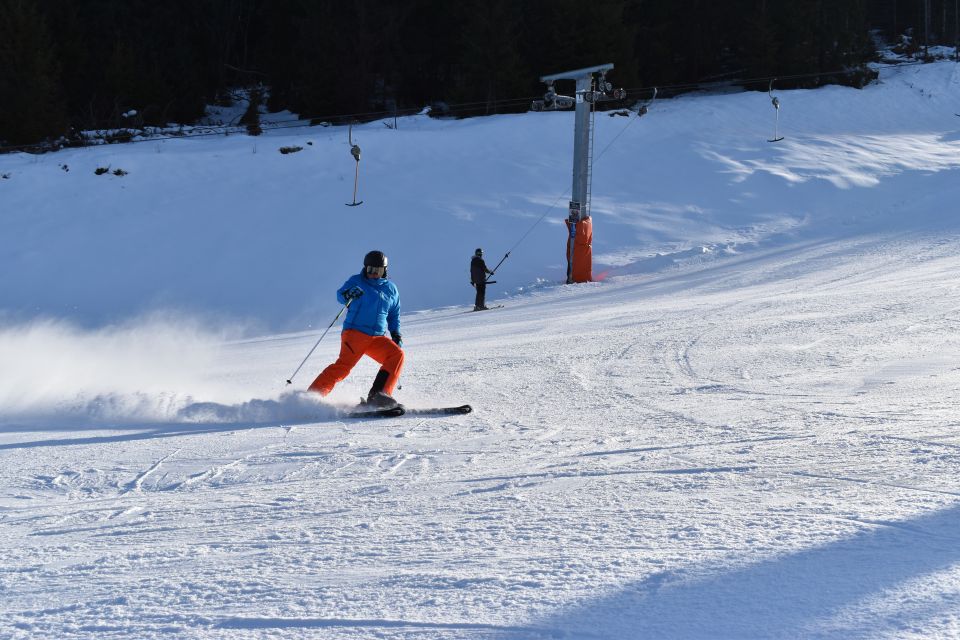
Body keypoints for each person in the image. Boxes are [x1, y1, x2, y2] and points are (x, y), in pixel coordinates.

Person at [308, 250, 404, 407]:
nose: (373, 274)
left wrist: (395, 332)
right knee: (343, 367)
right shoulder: (357, 281)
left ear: (384, 271)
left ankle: (379, 395)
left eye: (377, 270)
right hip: (355, 334)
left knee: (396, 355)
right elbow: (340, 295)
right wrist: (348, 294)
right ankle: (311, 398)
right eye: (370, 270)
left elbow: (394, 314)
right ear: (365, 268)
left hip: (377, 337)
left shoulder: (391, 289)